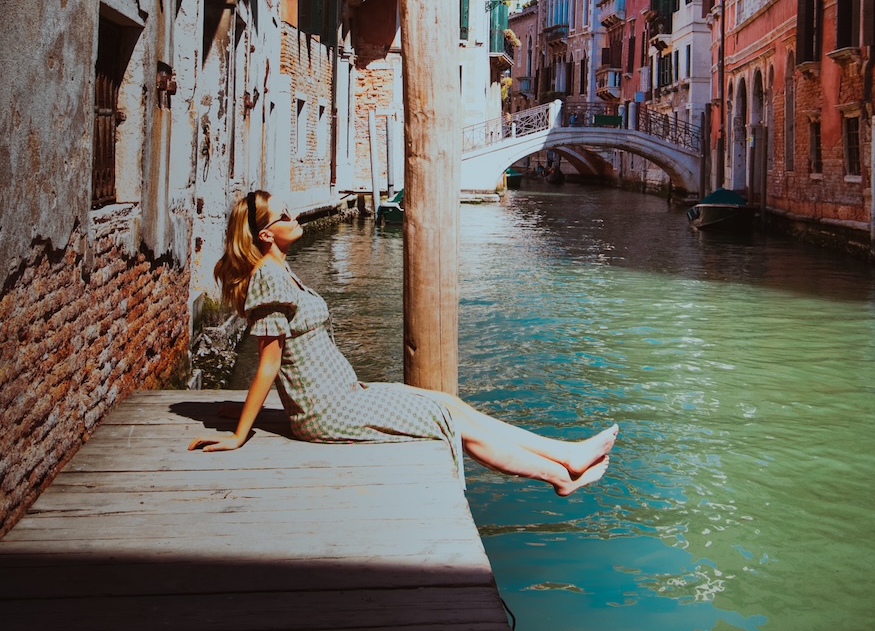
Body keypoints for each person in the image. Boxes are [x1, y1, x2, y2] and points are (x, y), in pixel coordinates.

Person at [188, 191, 617, 495]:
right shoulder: (269, 278)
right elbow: (270, 362)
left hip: (345, 396)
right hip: (332, 410)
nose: (291, 216)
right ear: (266, 235)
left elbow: (287, 360)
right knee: (450, 423)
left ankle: (566, 454)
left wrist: (250, 412)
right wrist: (240, 433)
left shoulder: (280, 272)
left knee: (447, 403)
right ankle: (559, 476)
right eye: (282, 215)